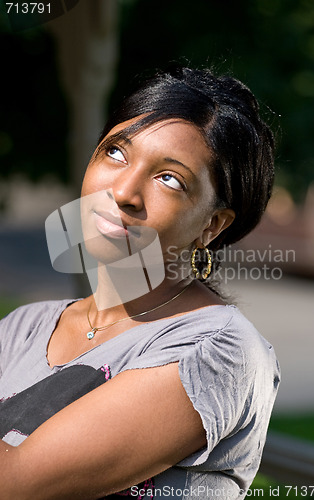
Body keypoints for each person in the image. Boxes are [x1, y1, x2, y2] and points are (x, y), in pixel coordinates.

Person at [0, 66, 280, 500]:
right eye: (116, 153)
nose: (124, 192)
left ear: (212, 225)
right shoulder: (22, 328)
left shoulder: (216, 350)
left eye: (170, 179)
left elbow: (15, 483)